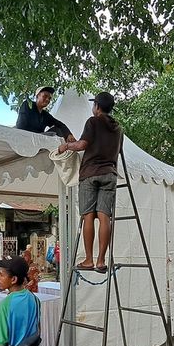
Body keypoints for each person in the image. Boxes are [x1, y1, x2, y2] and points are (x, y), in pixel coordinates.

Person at [57, 92, 123, 273]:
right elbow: (119, 152)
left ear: (98, 107)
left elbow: (82, 145)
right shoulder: (118, 129)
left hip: (91, 173)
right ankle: (101, 261)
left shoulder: (93, 122)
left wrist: (66, 146)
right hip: (110, 174)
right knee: (104, 217)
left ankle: (88, 260)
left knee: (88, 216)